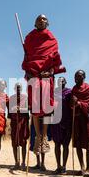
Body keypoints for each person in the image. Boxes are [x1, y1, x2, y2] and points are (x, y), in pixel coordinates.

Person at [22, 14, 66, 156]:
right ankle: (38, 137)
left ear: (47, 23)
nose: (41, 20)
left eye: (44, 19)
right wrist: (28, 72)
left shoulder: (52, 39)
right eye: (39, 19)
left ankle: (44, 136)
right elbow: (27, 57)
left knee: (47, 107)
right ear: (35, 23)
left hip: (46, 76)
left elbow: (55, 59)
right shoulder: (29, 38)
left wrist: (51, 71)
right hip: (34, 76)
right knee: (35, 108)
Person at [70, 70, 89, 177]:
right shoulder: (74, 89)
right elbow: (71, 105)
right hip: (76, 119)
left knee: (88, 143)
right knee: (77, 143)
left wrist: (79, 103)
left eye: (78, 76)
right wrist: (73, 103)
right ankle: (82, 167)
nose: (76, 78)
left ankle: (88, 168)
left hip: (86, 119)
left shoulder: (88, 88)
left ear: (84, 77)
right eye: (75, 76)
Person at [51, 77, 72, 174]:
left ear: (66, 82)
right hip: (56, 122)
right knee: (57, 144)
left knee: (66, 145)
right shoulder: (53, 92)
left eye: (63, 81)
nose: (61, 82)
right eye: (59, 81)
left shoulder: (69, 92)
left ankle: (64, 166)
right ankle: (58, 166)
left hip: (67, 121)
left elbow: (72, 105)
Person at [8, 83, 30, 170]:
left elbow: (28, 108)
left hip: (23, 123)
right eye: (16, 88)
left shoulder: (25, 98)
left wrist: (20, 109)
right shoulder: (11, 98)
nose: (18, 89)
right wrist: (13, 109)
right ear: (14, 89)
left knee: (23, 142)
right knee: (14, 143)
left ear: (21, 89)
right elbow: (9, 113)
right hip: (14, 123)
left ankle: (23, 162)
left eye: (19, 88)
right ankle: (16, 162)